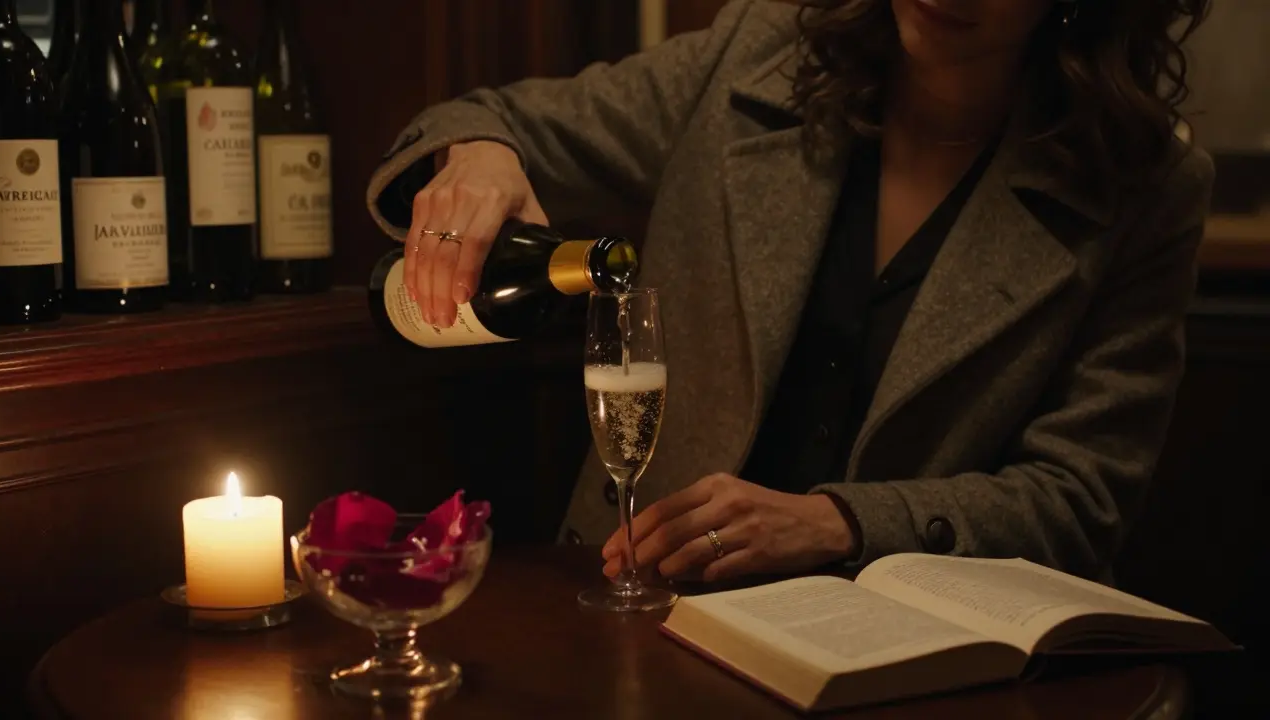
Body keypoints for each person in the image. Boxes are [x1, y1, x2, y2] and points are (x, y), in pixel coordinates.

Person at [366, 0, 1213, 587]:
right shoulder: (755, 56)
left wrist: (840, 524)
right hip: (631, 606)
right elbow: (486, 118)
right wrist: (481, 154)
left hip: (910, 663)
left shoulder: (1145, 187)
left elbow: (1081, 501)